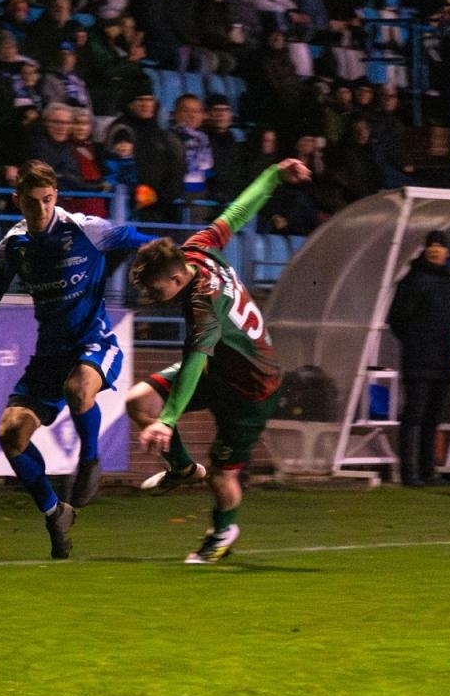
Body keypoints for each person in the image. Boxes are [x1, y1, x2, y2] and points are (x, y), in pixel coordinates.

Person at [0, 162, 154, 559]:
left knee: (79, 389)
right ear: (17, 201)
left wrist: (179, 256)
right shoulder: (13, 246)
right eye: (32, 202)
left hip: (94, 343)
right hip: (49, 354)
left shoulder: (84, 229)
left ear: (56, 197)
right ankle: (55, 512)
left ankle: (89, 460)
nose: (41, 209)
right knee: (11, 434)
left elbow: (137, 238)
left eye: (47, 200)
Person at [125, 157, 312, 564]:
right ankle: (181, 470)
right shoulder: (197, 248)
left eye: (156, 292)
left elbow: (193, 362)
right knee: (138, 402)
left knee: (223, 471)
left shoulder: (202, 304)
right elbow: (237, 211)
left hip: (251, 387)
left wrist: (169, 420)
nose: (153, 300)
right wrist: (273, 175)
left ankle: (223, 531)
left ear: (176, 280)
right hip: (220, 369)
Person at [387, 229, 450, 487]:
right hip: (418, 359)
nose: (435, 249)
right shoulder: (413, 280)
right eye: (431, 245)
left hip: (441, 359)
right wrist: (415, 340)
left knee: (432, 417)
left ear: (447, 252)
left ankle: (428, 470)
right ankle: (409, 472)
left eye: (440, 245)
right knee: (414, 415)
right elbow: (396, 319)